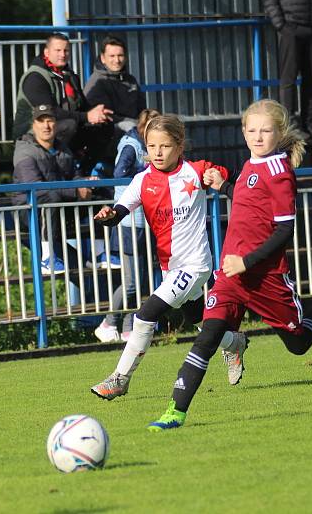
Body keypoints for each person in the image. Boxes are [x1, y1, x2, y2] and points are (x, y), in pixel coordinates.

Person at [147, 99, 312, 431]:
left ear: (280, 132)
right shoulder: (250, 164)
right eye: (251, 130)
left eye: (266, 130)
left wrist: (246, 261)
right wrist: (225, 186)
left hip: (266, 278)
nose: (257, 137)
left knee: (299, 343)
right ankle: (174, 412)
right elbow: (249, 201)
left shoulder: (280, 173)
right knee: (208, 335)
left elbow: (284, 229)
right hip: (231, 277)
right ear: (243, 130)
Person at [89, 114, 244, 401]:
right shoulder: (142, 180)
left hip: (196, 265)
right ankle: (234, 342)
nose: (157, 153)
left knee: (145, 315)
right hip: (171, 268)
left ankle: (120, 379)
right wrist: (109, 216)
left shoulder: (197, 171)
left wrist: (224, 181)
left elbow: (237, 175)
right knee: (199, 320)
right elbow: (119, 212)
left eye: (164, 146)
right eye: (151, 146)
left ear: (180, 146)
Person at [93, 108, 160, 344]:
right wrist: (147, 170)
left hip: (143, 220)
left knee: (139, 279)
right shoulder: (131, 145)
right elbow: (121, 173)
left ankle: (128, 326)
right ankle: (108, 322)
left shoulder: (147, 146)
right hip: (129, 220)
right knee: (131, 281)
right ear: (143, 128)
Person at [12, 104, 93, 275]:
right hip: (29, 209)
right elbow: (35, 188)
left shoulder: (63, 147)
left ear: (56, 124)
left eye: (50, 121)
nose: (46, 126)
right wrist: (75, 191)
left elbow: (74, 175)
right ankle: (47, 258)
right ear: (33, 125)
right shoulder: (24, 151)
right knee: (50, 198)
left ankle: (100, 255)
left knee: (99, 193)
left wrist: (85, 183)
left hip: (60, 204)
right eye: (41, 121)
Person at [12, 33, 113, 161]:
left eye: (66, 50)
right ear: (46, 52)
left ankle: (85, 170)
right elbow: (51, 112)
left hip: (65, 124)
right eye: (58, 50)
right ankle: (61, 165)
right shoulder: (35, 77)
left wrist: (98, 113)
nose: (63, 54)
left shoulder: (69, 75)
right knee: (69, 125)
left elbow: (82, 106)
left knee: (104, 125)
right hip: (32, 132)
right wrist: (87, 116)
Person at [262, 0, 312, 141]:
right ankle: (290, 126)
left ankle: (309, 125)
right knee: (288, 79)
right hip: (291, 27)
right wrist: (281, 25)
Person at [84, 36, 147, 135]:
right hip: (111, 129)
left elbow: (142, 108)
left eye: (120, 55)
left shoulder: (131, 80)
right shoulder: (97, 82)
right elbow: (106, 116)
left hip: (135, 124)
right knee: (130, 126)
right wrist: (136, 123)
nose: (117, 60)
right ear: (103, 58)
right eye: (112, 56)